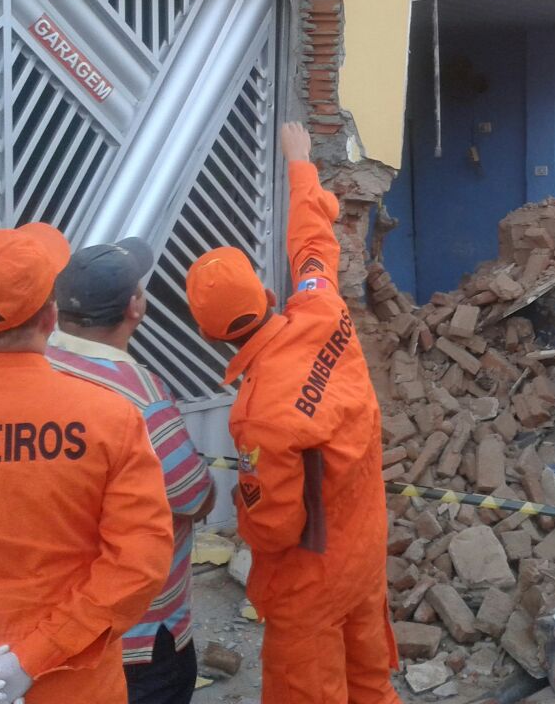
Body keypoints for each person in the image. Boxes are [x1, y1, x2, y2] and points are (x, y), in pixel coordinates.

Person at [184, 123, 399, 704]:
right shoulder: (322, 307)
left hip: (311, 580)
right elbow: (313, 242)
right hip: (364, 545)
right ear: (267, 294)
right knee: (371, 683)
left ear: (209, 337)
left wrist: (240, 508)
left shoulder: (257, 416)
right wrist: (300, 162)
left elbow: (276, 527)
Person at [0, 223, 172, 703]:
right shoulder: (111, 417)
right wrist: (31, 658)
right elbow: (140, 562)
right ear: (50, 317)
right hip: (72, 683)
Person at [46, 239, 216, 704]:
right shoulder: (142, 397)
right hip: (136, 632)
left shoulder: (33, 370)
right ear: (135, 308)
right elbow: (194, 496)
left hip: (51, 622)